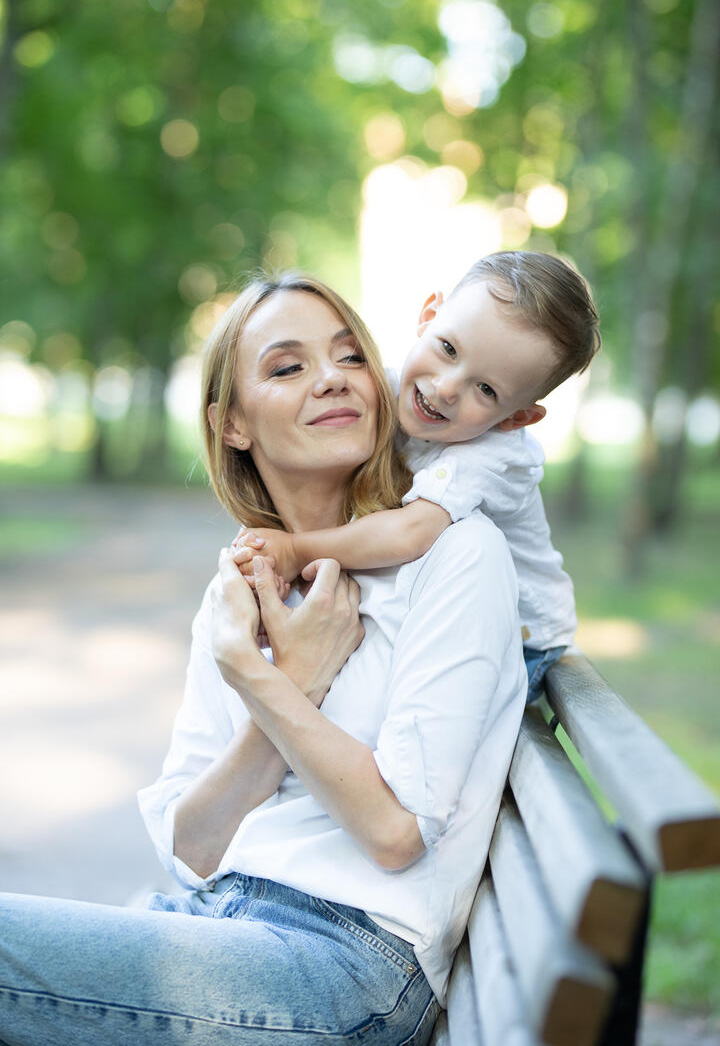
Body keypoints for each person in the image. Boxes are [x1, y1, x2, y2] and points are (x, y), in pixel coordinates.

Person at [0, 273, 526, 1046]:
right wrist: (296, 681)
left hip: (350, 961)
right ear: (233, 424)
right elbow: (193, 846)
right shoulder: (241, 590)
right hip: (215, 921)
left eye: (349, 357)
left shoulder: (455, 555)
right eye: (287, 367)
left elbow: (394, 832)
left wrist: (259, 679)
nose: (331, 379)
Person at [230, 252, 601, 702]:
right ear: (429, 315)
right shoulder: (385, 388)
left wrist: (295, 551)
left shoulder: (494, 454)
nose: (445, 388)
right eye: (448, 349)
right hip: (440, 607)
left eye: (486, 389)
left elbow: (409, 533)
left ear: (517, 417)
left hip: (521, 637)